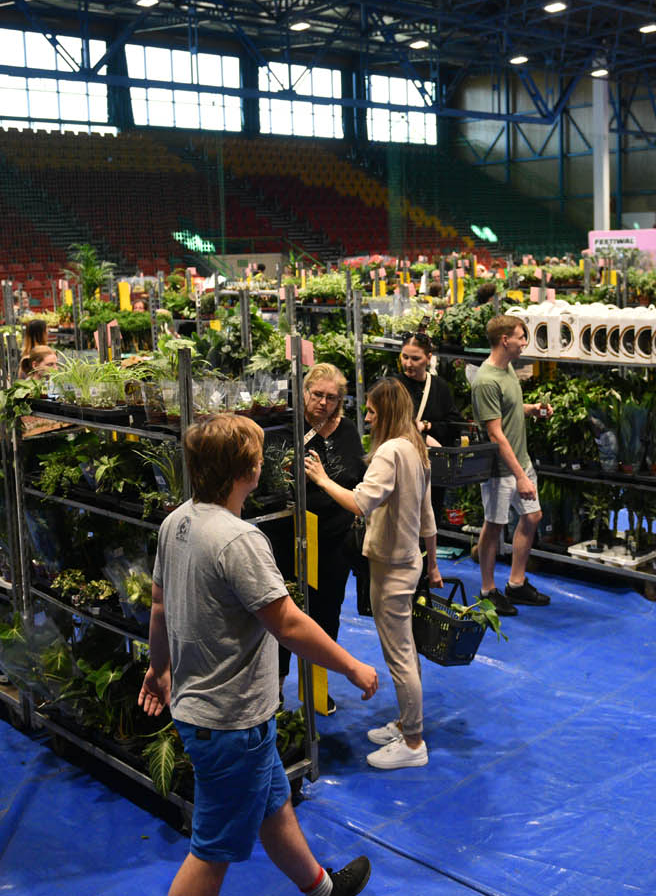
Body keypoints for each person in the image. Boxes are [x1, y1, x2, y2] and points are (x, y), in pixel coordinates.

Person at [139, 414, 376, 896]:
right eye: (258, 455)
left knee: (273, 803)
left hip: (208, 710)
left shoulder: (177, 522)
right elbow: (287, 624)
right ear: (244, 471)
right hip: (230, 722)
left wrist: (157, 667)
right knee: (211, 852)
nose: (264, 461)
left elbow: (159, 604)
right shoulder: (238, 539)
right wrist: (351, 665)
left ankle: (322, 891)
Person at [305, 378, 437, 770]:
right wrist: (432, 563)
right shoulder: (416, 447)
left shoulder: (391, 451)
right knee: (406, 650)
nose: (365, 418)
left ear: (387, 413)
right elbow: (427, 513)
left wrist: (321, 478)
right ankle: (406, 721)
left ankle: (413, 742)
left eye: (372, 412)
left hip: (392, 566)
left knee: (398, 655)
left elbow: (361, 502)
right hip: (407, 561)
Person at [470, 314, 550, 615]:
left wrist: (534, 410)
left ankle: (516, 584)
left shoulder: (508, 372)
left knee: (532, 517)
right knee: (494, 526)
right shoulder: (486, 381)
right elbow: (495, 433)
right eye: (521, 337)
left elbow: (511, 410)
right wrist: (521, 477)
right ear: (505, 340)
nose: (525, 342)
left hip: (521, 461)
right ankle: (487, 590)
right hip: (500, 469)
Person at [298, 364, 367, 696]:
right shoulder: (289, 428)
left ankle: (316, 689)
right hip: (295, 537)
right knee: (292, 613)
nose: (323, 403)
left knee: (328, 612)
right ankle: (279, 690)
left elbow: (358, 479)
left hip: (337, 540)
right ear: (305, 392)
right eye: (317, 395)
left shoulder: (348, 430)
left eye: (332, 397)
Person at [392, 332, 460, 574]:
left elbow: (453, 424)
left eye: (415, 358)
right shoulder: (393, 385)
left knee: (429, 521)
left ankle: (426, 572)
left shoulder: (440, 388)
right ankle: (406, 573)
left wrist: (428, 426)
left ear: (429, 358)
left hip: (431, 469)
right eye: (404, 357)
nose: (408, 364)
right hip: (400, 469)